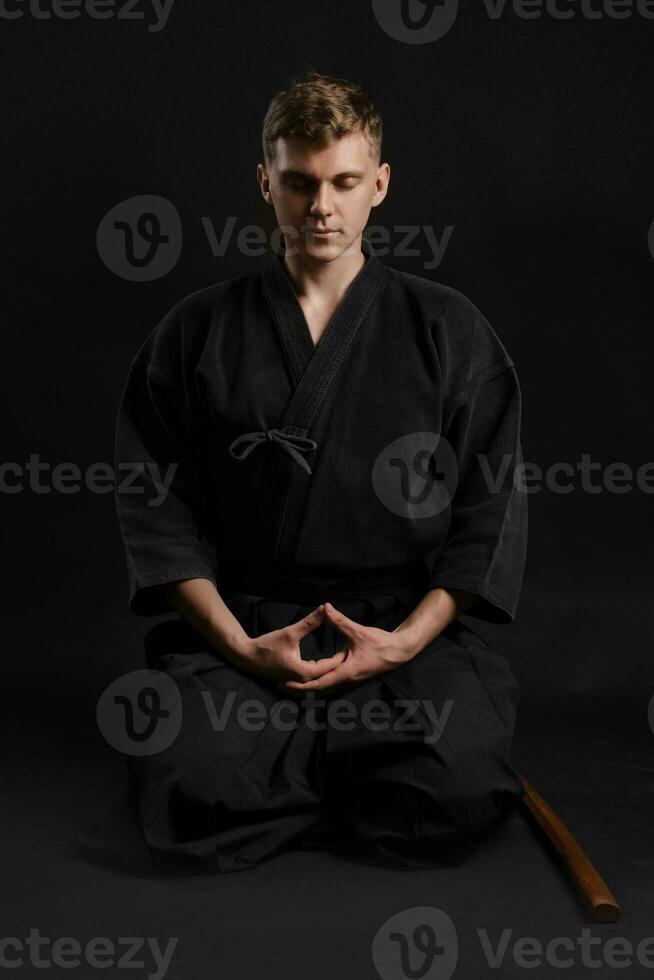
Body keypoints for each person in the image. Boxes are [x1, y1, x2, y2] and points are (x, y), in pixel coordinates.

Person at [112, 69, 528, 873]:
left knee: (455, 793)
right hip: (250, 626)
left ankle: (311, 766)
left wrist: (404, 645)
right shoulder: (196, 329)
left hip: (395, 626)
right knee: (192, 785)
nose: (321, 208)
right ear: (266, 181)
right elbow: (157, 511)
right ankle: (340, 767)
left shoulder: (447, 326)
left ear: (380, 182)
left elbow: (489, 510)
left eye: (343, 182)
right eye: (299, 183)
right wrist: (238, 645)